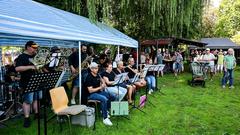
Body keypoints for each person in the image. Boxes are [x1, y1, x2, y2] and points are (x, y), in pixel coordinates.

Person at [15, 41, 41, 128]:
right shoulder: (21, 57)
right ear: (28, 47)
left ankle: (37, 114)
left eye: (36, 47)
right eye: (34, 47)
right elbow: (17, 68)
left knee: (36, 98)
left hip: (37, 80)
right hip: (27, 82)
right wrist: (31, 67)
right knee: (28, 101)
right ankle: (27, 118)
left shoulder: (34, 56)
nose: (35, 49)